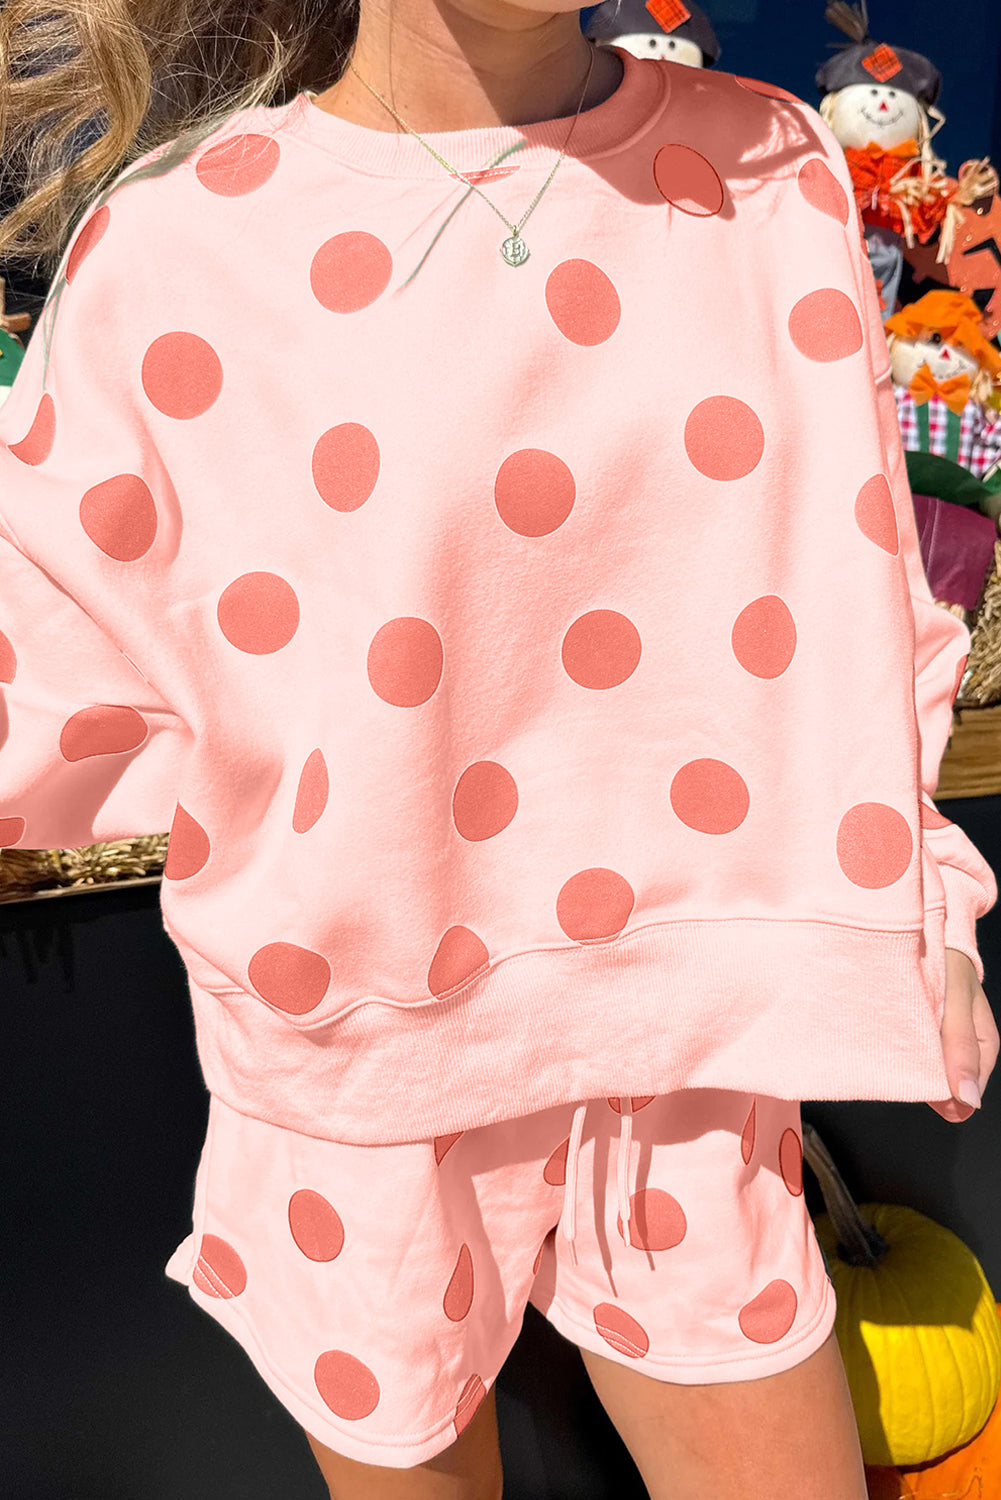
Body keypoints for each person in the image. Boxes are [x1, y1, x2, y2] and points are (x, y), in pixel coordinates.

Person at [0, 2, 998, 1497]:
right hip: (360, 1040)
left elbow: (857, 593)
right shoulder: (178, 249)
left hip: (692, 1022)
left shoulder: (766, 169)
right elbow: (48, 654)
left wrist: (920, 886)